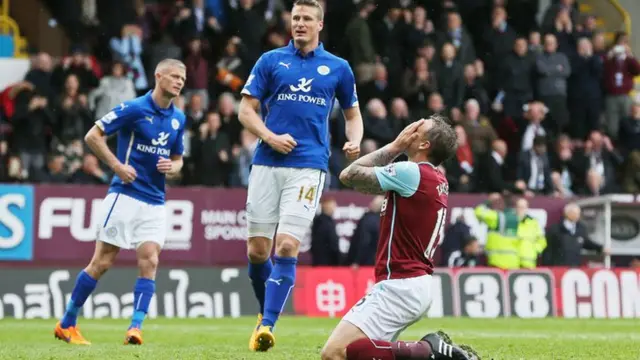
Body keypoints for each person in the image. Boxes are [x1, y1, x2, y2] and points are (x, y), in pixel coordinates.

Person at [238, 0, 364, 352]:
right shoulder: (270, 61)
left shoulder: (338, 68)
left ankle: (267, 324)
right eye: (295, 18)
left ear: (320, 24)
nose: (300, 23)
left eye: (307, 18)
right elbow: (245, 111)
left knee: (288, 244)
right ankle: (266, 313)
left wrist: (354, 140)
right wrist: (270, 137)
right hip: (266, 162)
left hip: (309, 166)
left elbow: (353, 114)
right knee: (257, 251)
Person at [53, 59, 187, 346]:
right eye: (174, 76)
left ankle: (135, 328)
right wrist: (116, 166)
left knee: (150, 260)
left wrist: (173, 168)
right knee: (101, 262)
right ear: (158, 76)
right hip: (125, 196)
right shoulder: (135, 109)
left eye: (183, 79)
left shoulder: (179, 119)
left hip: (155, 201)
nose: (179, 82)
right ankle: (67, 322)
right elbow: (93, 135)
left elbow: (179, 159)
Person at [321, 117, 478, 360]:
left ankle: (430, 351)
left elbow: (348, 174)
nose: (410, 129)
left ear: (424, 144)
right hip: (415, 283)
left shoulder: (411, 172)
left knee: (335, 353)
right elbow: (361, 184)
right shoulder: (433, 178)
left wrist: (395, 146)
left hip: (401, 284)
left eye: (417, 128)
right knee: (368, 354)